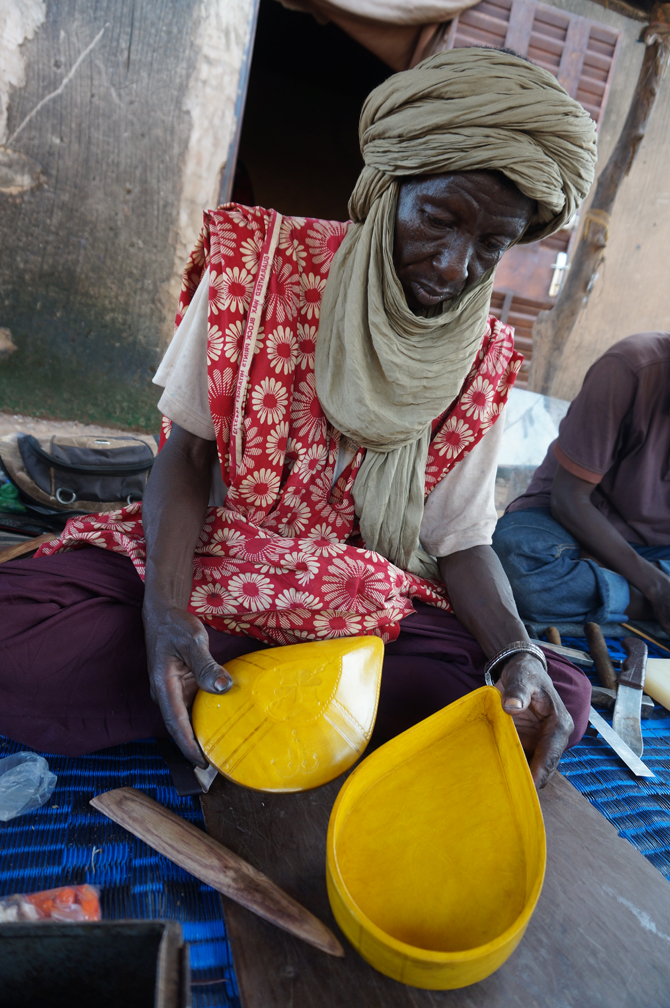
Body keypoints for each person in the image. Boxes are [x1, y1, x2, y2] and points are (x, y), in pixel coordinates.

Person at [0, 48, 597, 788]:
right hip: (216, 567)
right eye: (439, 219)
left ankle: (240, 698)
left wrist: (519, 654)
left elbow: (462, 541)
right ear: (388, 189)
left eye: (490, 246)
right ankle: (280, 702)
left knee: (549, 693)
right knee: (14, 647)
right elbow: (185, 460)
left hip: (352, 606)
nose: (452, 267)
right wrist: (164, 612)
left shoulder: (483, 357)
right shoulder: (260, 267)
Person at [494, 332, 670, 634]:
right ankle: (646, 606)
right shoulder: (627, 368)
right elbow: (568, 499)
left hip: (658, 552)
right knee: (513, 564)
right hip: (571, 525)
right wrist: (655, 588)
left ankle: (605, 598)